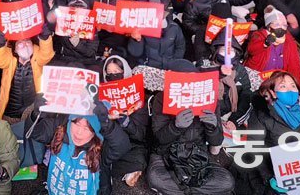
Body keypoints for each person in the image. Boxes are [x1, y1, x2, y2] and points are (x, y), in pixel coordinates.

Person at [148, 59, 234, 195]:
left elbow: (216, 141)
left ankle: (181, 190)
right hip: (166, 155)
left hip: (196, 155)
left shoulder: (210, 99)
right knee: (155, 178)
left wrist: (212, 127)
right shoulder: (161, 98)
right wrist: (175, 126)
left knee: (227, 181)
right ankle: (192, 189)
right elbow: (158, 139)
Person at [31, 93, 131, 195]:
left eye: (87, 128)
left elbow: (122, 146)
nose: (79, 132)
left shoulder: (101, 147)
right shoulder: (61, 129)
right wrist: (37, 115)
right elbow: (35, 133)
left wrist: (107, 124)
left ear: (95, 132)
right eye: (76, 124)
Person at [243, 71, 300, 193]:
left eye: (293, 86)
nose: (290, 90)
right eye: (283, 86)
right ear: (273, 92)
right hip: (272, 174)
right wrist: (268, 177)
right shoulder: (262, 114)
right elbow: (254, 148)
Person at [102, 56, 150, 188]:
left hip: (130, 144)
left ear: (125, 72)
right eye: (109, 73)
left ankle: (111, 168)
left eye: (117, 71)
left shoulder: (138, 98)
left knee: (139, 159)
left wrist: (126, 122)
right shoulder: (101, 93)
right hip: (108, 142)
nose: (113, 75)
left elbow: (140, 135)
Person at [0, 26, 54, 122]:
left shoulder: (37, 56)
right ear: (15, 48)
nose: (25, 44)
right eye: (20, 42)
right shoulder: (10, 57)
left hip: (32, 112)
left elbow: (46, 55)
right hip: (10, 113)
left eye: (28, 41)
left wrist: (45, 39)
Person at [245, 6, 300, 88]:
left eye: (284, 25)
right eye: (277, 24)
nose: (281, 27)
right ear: (269, 26)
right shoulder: (259, 35)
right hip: (258, 76)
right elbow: (251, 50)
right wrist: (265, 43)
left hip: (277, 80)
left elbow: (295, 66)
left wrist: (299, 86)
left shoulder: (289, 41)